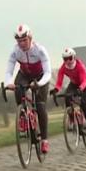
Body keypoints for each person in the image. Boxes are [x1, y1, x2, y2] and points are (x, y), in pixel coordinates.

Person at [4, 24, 52, 153]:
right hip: (25, 74)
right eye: (19, 41)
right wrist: (8, 83)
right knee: (18, 89)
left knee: (40, 105)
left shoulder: (40, 50)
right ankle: (23, 116)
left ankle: (44, 140)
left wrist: (39, 83)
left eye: (24, 40)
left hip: (41, 76)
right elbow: (9, 70)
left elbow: (48, 72)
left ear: (30, 38)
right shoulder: (15, 51)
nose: (22, 44)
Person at [51, 48, 86, 138]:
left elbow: (84, 81)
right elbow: (59, 82)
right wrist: (55, 90)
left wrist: (81, 89)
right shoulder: (63, 68)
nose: (68, 61)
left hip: (85, 84)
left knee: (84, 105)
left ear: (74, 57)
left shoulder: (79, 66)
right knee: (67, 97)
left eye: (70, 58)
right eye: (65, 59)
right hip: (74, 84)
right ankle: (71, 119)